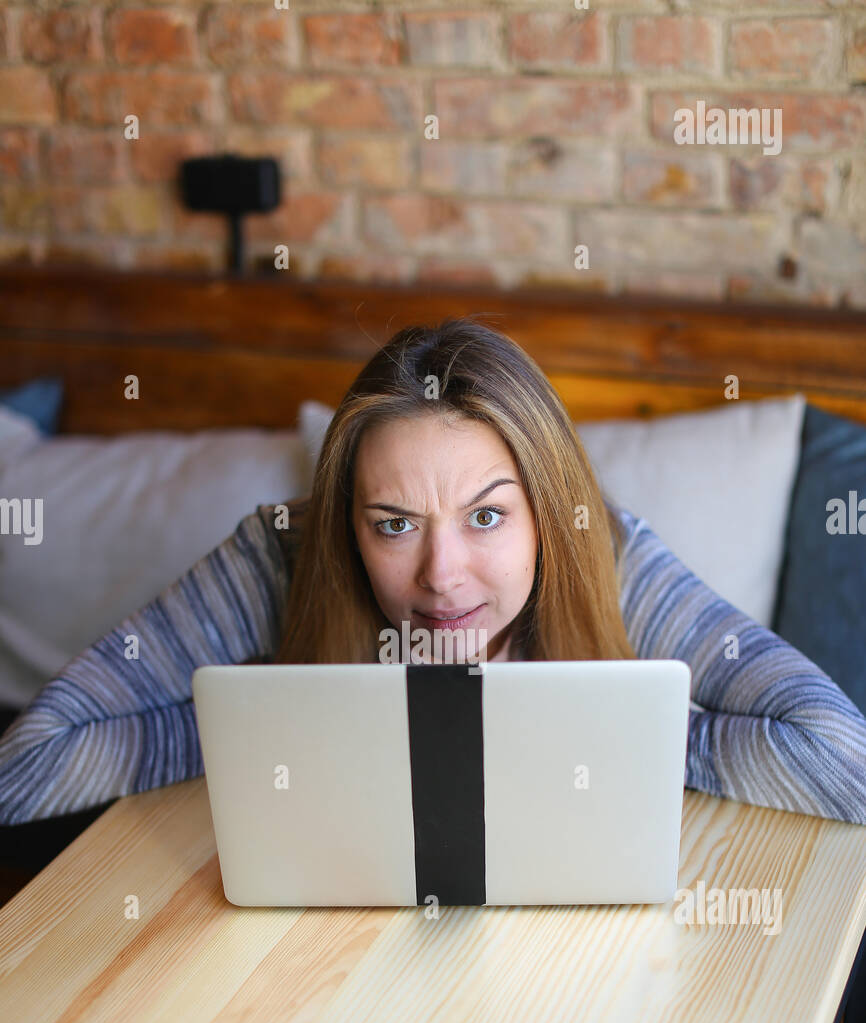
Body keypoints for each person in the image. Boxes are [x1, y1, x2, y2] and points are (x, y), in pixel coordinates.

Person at [0, 317, 864, 827]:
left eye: (486, 516)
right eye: (394, 525)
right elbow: (30, 765)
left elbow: (840, 756)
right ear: (351, 523)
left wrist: (600, 731)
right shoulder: (284, 554)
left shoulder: (610, 553)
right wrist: (273, 733)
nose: (442, 576)